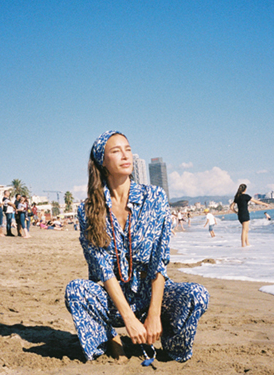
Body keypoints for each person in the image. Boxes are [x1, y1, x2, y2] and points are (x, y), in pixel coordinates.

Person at [65, 130, 209, 362]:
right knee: (75, 291)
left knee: (197, 295)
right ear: (102, 162)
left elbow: (159, 261)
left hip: (150, 294)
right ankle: (109, 337)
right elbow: (103, 270)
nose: (125, 156)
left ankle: (169, 344)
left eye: (128, 149)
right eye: (116, 151)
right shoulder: (88, 210)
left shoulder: (154, 198)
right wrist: (129, 319)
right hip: (114, 300)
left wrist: (153, 314)